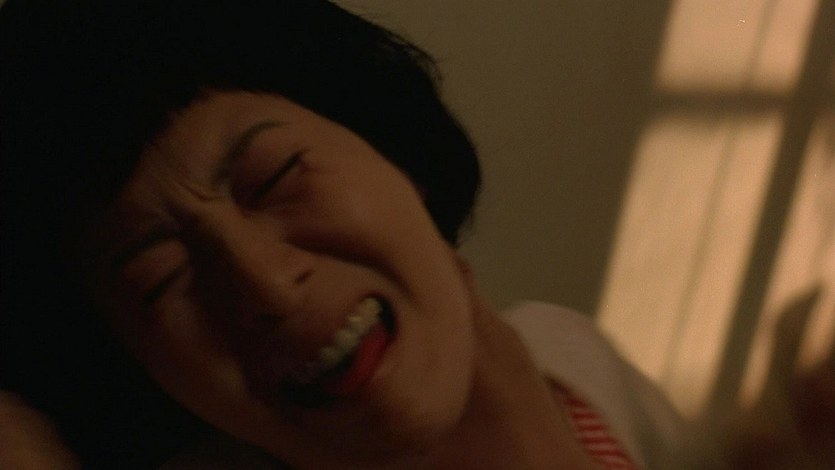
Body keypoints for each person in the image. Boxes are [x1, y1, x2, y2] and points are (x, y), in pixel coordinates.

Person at [0, 1, 710, 468]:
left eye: (276, 178)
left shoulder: (578, 360)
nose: (268, 286)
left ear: (391, 149)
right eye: (159, 279)